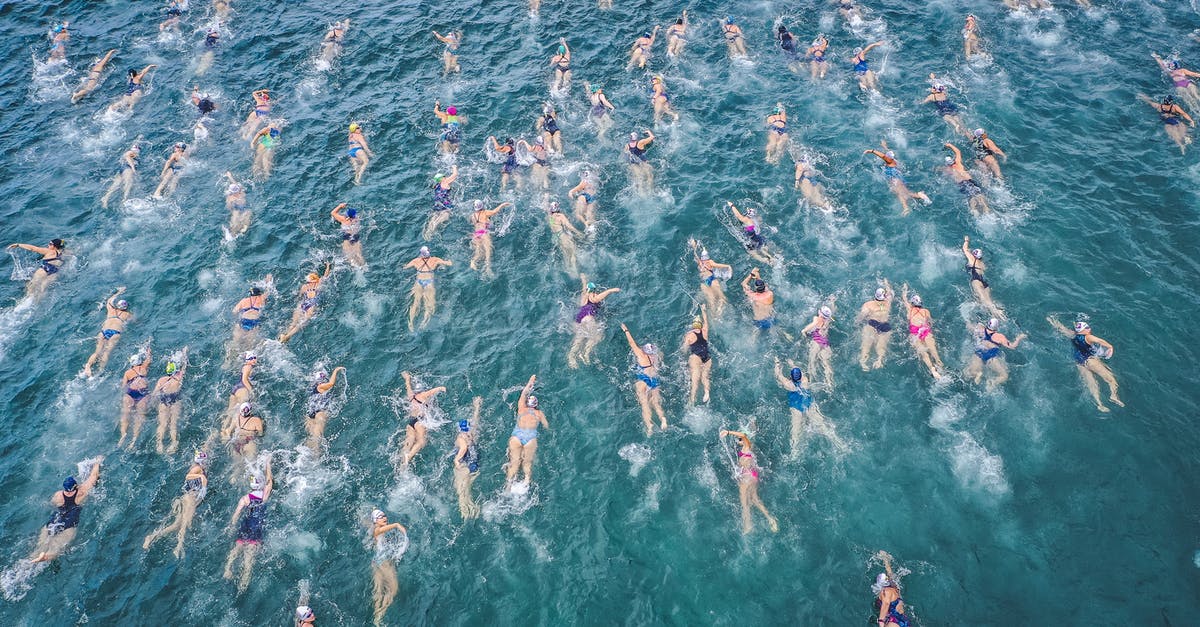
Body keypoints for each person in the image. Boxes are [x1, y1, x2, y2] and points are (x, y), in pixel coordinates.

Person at [29, 458, 103, 563]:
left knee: (40, 546)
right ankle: (45, 557)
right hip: (69, 524)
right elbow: (93, 476)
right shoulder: (82, 492)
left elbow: (51, 504)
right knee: (57, 549)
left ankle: (31, 559)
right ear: (75, 486)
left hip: (53, 521)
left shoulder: (58, 495)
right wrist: (97, 462)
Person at [1047, 317, 1123, 412]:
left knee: (1091, 383)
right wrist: (1110, 347)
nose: (1089, 329)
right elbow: (1100, 341)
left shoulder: (1072, 335)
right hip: (1090, 361)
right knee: (1111, 380)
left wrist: (1051, 320)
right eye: (1087, 328)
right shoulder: (1088, 337)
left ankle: (1099, 404)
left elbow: (1060, 328)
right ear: (1083, 330)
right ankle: (1113, 396)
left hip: (1079, 363)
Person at [773, 357, 847, 455]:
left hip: (796, 409)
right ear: (800, 376)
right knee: (823, 426)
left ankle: (794, 453)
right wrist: (792, 364)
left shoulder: (788, 384)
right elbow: (801, 372)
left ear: (791, 377)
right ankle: (840, 444)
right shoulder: (805, 380)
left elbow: (778, 375)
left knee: (796, 432)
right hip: (809, 405)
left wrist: (777, 363)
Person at [143, 451, 208, 559]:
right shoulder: (197, 469)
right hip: (190, 500)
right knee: (184, 525)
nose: (207, 462)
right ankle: (178, 547)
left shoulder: (197, 466)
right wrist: (202, 478)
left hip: (187, 498)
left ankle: (152, 537)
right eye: (205, 460)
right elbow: (188, 476)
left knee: (176, 525)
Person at [224, 459, 273, 593]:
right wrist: (268, 464)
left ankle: (227, 569)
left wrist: (231, 526)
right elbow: (270, 481)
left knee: (237, 547)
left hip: (244, 526)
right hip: (256, 528)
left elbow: (236, 515)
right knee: (248, 560)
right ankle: (243, 585)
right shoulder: (264, 495)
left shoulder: (245, 498)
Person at [718, 430, 778, 534]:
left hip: (747, 477)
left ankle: (748, 525)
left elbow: (743, 435)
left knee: (744, 502)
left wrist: (728, 432)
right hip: (752, 476)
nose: (738, 441)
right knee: (754, 500)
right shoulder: (747, 448)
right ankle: (770, 519)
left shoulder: (746, 447)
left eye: (739, 440)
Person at [620, 323, 668, 436]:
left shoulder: (642, 356)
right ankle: (663, 419)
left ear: (645, 351)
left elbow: (632, 343)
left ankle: (649, 426)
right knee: (656, 403)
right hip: (654, 381)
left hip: (643, 380)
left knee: (644, 404)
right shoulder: (656, 357)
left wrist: (626, 330)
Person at [506, 375, 549, 490]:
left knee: (514, 462)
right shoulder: (539, 413)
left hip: (517, 436)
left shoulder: (521, 408)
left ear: (527, 404)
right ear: (536, 405)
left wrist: (531, 381)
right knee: (527, 463)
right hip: (530, 438)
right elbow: (546, 426)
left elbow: (524, 393)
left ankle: (508, 486)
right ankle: (526, 482)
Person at [864, 142, 930, 216]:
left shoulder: (888, 161)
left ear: (888, 158)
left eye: (886, 157)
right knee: (902, 192)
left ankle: (908, 205)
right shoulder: (893, 160)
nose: (885, 157)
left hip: (895, 178)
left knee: (899, 193)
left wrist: (871, 151)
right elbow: (888, 153)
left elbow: (882, 156)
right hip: (897, 176)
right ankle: (916, 197)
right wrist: (884, 146)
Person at [567, 275, 620, 368]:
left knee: (579, 338)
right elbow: (600, 297)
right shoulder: (593, 297)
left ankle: (571, 357)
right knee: (598, 336)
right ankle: (585, 353)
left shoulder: (584, 296)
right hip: (588, 319)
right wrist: (611, 290)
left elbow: (584, 287)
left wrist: (583, 279)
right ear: (594, 291)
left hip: (579, 320)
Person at [368, 509, 407, 626]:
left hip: (376, 561)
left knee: (379, 591)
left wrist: (373, 510)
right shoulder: (378, 530)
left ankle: (376, 616)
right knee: (393, 589)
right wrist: (398, 525)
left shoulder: (375, 529)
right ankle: (381, 614)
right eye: (381, 517)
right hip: (384, 563)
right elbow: (392, 526)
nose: (384, 518)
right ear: (376, 521)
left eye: (385, 516)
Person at [400, 370, 446, 468]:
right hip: (419, 421)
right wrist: (441, 388)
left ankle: (402, 460)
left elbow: (408, 385)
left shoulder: (411, 396)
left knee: (410, 439)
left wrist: (407, 378)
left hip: (411, 422)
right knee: (421, 442)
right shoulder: (423, 395)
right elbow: (432, 391)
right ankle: (409, 456)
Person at [83, 287, 131, 377]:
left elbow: (109, 300)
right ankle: (99, 371)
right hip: (115, 333)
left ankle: (88, 365)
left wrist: (119, 292)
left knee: (97, 351)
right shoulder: (127, 314)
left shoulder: (111, 310)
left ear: (117, 306)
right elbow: (136, 321)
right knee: (106, 352)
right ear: (126, 307)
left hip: (103, 332)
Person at [278, 262, 332, 344]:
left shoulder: (304, 287)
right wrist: (328, 266)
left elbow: (299, 297)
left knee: (293, 323)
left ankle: (284, 335)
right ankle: (288, 336)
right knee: (303, 322)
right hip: (312, 304)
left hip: (303, 303)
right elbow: (326, 275)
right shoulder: (319, 283)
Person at [900, 285, 945, 380]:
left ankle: (932, 369)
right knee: (934, 353)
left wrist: (905, 289)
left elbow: (904, 299)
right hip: (925, 331)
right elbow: (930, 322)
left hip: (915, 333)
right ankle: (941, 367)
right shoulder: (925, 311)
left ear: (912, 303)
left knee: (924, 354)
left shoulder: (910, 309)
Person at [965, 318, 1024, 390]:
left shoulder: (979, 330)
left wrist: (968, 320)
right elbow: (1012, 347)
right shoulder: (999, 336)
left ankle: (978, 374)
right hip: (991, 357)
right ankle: (992, 382)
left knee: (969, 372)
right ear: (997, 327)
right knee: (1004, 376)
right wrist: (1019, 338)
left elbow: (968, 326)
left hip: (979, 353)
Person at [404, 247, 452, 331]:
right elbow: (449, 264)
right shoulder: (435, 260)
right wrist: (449, 259)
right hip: (429, 283)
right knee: (429, 305)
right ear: (429, 252)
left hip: (418, 283)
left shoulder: (416, 261)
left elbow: (405, 267)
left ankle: (410, 323)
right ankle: (424, 323)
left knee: (415, 303)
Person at [452, 397, 483, 519]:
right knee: (467, 489)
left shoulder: (461, 438)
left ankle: (465, 513)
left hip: (464, 465)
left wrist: (456, 459)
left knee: (461, 491)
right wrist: (477, 407)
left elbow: (464, 447)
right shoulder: (473, 433)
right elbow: (476, 419)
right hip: (474, 464)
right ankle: (474, 509)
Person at [152, 353, 188, 455]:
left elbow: (155, 394)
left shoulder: (161, 380)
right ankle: (173, 443)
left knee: (162, 424)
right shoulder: (178, 379)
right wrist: (185, 354)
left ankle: (159, 443)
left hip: (163, 400)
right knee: (173, 424)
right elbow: (184, 367)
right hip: (175, 399)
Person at [119, 349, 154, 449]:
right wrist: (148, 351)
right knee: (139, 415)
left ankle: (123, 435)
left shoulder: (127, 372)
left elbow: (123, 387)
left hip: (130, 393)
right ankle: (134, 438)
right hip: (142, 394)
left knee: (125, 414)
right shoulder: (143, 368)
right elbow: (149, 360)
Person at [943, 143, 991, 215]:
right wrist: (949, 145)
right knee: (979, 194)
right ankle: (986, 209)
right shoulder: (958, 163)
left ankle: (974, 211)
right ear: (953, 160)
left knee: (971, 197)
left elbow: (942, 175)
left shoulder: (947, 169)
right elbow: (958, 151)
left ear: (947, 164)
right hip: (971, 181)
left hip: (962, 184)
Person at [305, 366, 345, 451]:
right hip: (319, 412)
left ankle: (310, 453)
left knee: (312, 437)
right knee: (317, 439)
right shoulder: (320, 387)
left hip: (310, 414)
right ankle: (316, 453)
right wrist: (336, 370)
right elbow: (331, 384)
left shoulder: (313, 389)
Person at [688, 240, 732, 317]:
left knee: (711, 301)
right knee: (721, 297)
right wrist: (728, 266)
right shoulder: (710, 262)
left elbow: (695, 255)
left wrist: (694, 246)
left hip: (704, 283)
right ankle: (719, 310)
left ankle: (713, 316)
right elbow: (719, 265)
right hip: (712, 280)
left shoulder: (700, 263)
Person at [856, 280, 894, 371]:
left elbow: (861, 316)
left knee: (866, 345)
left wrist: (857, 322)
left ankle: (863, 362)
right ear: (884, 296)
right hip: (885, 326)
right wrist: (886, 283)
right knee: (881, 346)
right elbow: (889, 292)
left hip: (872, 324)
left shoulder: (868, 304)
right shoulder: (888, 302)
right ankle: (879, 360)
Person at [962, 236, 1002, 317]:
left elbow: (965, 249)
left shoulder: (972, 259)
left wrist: (966, 240)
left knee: (985, 302)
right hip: (984, 282)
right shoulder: (983, 264)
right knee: (988, 301)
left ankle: (997, 312)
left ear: (974, 255)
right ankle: (997, 313)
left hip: (976, 281)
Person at [468, 200, 510, 277]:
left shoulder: (472, 216)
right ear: (482, 206)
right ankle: (488, 268)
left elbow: (473, 223)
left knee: (478, 252)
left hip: (477, 234)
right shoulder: (485, 212)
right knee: (488, 251)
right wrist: (503, 204)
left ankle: (473, 262)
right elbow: (495, 211)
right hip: (484, 233)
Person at [230, 276, 271, 355]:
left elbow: (234, 311)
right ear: (259, 294)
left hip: (242, 321)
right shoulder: (261, 298)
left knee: (235, 343)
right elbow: (269, 291)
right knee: (249, 346)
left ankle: (227, 362)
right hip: (254, 322)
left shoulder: (244, 300)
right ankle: (246, 361)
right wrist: (268, 281)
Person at [800, 303, 836, 389]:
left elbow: (811, 326)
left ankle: (811, 380)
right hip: (825, 343)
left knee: (812, 361)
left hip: (816, 342)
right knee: (826, 364)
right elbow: (833, 311)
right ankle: (830, 383)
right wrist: (832, 302)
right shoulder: (828, 320)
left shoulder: (816, 319)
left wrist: (804, 331)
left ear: (819, 313)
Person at [682, 306, 712, 405]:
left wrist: (684, 353)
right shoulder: (705, 330)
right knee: (705, 377)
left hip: (696, 357)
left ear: (693, 325)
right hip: (707, 357)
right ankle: (707, 392)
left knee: (695, 380)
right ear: (700, 325)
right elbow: (706, 321)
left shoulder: (689, 335)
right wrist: (703, 310)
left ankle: (692, 400)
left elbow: (685, 349)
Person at [222, 402, 264, 474]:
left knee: (237, 467)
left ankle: (234, 479)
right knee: (251, 466)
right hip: (249, 443)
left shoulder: (236, 417)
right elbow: (261, 434)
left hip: (236, 442)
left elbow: (229, 431)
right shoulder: (256, 420)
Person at [873, 551, 911, 627]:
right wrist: (885, 560)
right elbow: (890, 573)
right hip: (902, 620)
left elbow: (886, 604)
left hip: (894, 621)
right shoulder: (894, 587)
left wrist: (881, 621)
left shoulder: (886, 591)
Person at [100, 140, 142, 209]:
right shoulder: (131, 153)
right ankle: (124, 200)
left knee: (116, 184)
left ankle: (105, 198)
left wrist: (139, 138)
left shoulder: (132, 152)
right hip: (128, 168)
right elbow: (127, 157)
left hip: (123, 169)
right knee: (129, 183)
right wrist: (133, 167)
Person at [547, 202, 585, 276]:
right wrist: (578, 233)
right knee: (573, 253)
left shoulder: (549, 217)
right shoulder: (560, 216)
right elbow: (569, 226)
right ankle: (575, 272)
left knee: (565, 256)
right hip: (562, 236)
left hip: (555, 237)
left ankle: (568, 271)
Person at [424, 165, 458, 240]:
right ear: (441, 179)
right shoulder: (445, 182)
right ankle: (433, 230)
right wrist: (454, 167)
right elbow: (455, 175)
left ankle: (427, 233)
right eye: (444, 176)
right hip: (445, 206)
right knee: (445, 216)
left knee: (433, 218)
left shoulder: (437, 185)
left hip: (437, 205)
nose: (445, 177)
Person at [331, 203, 365, 267]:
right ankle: (363, 268)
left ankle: (355, 268)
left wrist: (340, 206)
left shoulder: (343, 219)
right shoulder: (357, 219)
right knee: (359, 255)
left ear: (347, 215)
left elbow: (333, 213)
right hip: (356, 238)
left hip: (347, 238)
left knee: (349, 257)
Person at [226, 352, 258, 418]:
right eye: (251, 358)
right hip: (243, 389)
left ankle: (224, 427)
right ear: (247, 361)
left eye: (254, 358)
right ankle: (232, 428)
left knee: (230, 412)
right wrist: (251, 391)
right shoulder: (249, 367)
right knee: (240, 412)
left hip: (236, 388)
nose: (253, 360)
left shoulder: (245, 367)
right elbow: (244, 380)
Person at [223, 171, 252, 238]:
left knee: (247, 213)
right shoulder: (230, 198)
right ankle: (232, 233)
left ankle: (244, 226)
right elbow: (229, 207)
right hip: (236, 208)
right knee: (235, 216)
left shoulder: (241, 192)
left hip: (244, 208)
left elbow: (234, 183)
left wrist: (230, 176)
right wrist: (231, 205)